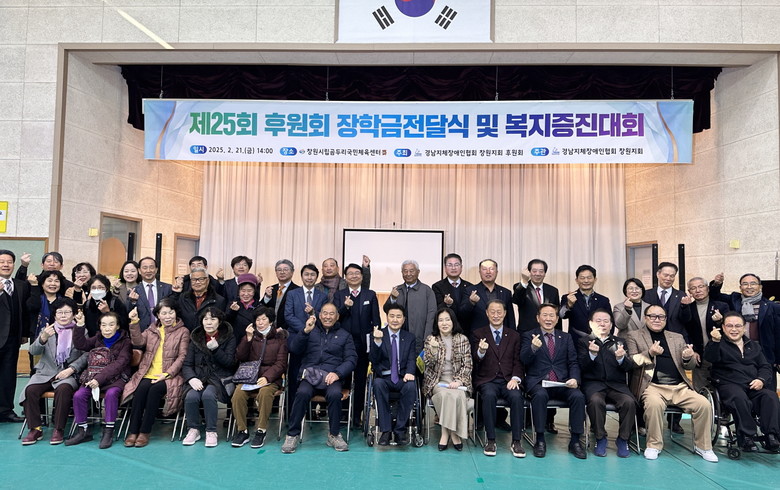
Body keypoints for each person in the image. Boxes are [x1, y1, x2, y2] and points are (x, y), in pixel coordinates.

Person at [625, 304, 718, 462]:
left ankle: (703, 446)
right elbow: (631, 362)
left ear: (666, 319)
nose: (657, 319)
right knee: (654, 405)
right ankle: (654, 445)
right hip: (652, 386)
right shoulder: (634, 335)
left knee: (703, 404)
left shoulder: (677, 337)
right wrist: (650, 353)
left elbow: (689, 366)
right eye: (652, 316)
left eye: (661, 317)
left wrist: (688, 358)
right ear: (646, 318)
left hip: (679, 387)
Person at [281, 303, 357, 454]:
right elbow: (294, 349)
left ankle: (334, 434)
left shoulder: (345, 335)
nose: (328, 317)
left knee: (335, 394)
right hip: (310, 375)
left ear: (337, 316)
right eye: (325, 313)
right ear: (319, 315)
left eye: (331, 314)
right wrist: (304, 332)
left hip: (332, 376)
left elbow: (351, 359)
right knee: (302, 393)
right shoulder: (310, 330)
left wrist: (337, 373)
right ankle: (292, 435)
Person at [704, 312, 780, 453]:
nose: (734, 329)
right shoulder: (718, 343)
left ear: (744, 328)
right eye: (730, 326)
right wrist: (714, 341)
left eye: (738, 326)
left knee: (770, 396)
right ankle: (746, 436)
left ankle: (771, 436)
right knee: (738, 397)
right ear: (723, 328)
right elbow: (710, 358)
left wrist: (761, 380)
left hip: (752, 385)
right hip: (728, 384)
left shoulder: (754, 346)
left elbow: (765, 366)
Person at [122, 298, 190, 447]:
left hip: (170, 376)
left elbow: (182, 356)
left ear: (176, 313)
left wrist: (167, 374)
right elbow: (138, 342)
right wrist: (134, 323)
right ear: (158, 315)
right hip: (148, 373)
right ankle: (133, 431)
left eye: (171, 312)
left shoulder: (183, 331)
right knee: (140, 392)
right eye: (163, 313)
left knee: (154, 392)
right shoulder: (152, 330)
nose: (168, 316)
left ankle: (145, 432)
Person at [521, 303, 586, 459]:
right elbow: (523, 360)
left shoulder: (566, 337)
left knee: (578, 396)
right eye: (545, 315)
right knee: (540, 395)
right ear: (538, 318)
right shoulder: (529, 335)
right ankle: (540, 439)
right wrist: (533, 348)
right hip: (539, 383)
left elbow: (573, 362)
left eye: (552, 315)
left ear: (557, 319)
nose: (548, 319)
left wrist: (575, 379)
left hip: (561, 382)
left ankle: (575, 441)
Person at [19, 297, 87, 445]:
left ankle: (58, 428)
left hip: (68, 374)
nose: (63, 315)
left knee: (63, 390)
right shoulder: (47, 330)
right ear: (54, 315)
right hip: (45, 372)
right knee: (30, 390)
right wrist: (42, 338)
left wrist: (71, 369)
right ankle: (35, 429)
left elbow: (86, 355)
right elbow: (33, 351)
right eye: (59, 312)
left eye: (67, 312)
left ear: (74, 314)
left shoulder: (80, 330)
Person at [66, 311, 132, 449]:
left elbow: (119, 364)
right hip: (94, 377)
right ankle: (83, 431)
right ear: (100, 327)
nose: (107, 329)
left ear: (117, 326)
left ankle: (108, 431)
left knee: (111, 394)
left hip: (116, 378)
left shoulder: (125, 342)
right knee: (79, 395)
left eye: (111, 325)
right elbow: (81, 345)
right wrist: (80, 325)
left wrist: (99, 379)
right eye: (104, 325)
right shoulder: (97, 338)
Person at [577, 309, 636, 457]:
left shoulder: (620, 342)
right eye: (598, 321)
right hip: (594, 384)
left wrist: (621, 359)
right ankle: (600, 438)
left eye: (606, 321)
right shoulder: (583, 342)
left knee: (629, 402)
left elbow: (628, 367)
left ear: (611, 325)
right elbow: (582, 367)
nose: (602, 324)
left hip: (617, 385)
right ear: (591, 324)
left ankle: (623, 439)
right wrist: (591, 355)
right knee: (596, 401)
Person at [471, 300, 525, 458]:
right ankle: (491, 440)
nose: (496, 315)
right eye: (492, 312)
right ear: (487, 313)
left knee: (516, 397)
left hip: (508, 380)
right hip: (487, 380)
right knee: (488, 396)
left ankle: (516, 441)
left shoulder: (514, 335)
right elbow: (475, 359)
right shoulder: (478, 334)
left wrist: (515, 378)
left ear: (505, 313)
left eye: (499, 312)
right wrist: (481, 351)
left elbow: (518, 361)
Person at [709, 272, 779, 391]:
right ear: (740, 287)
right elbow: (715, 296)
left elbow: (778, 334)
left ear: (760, 286)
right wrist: (717, 284)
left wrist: (778, 359)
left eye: (753, 283)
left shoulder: (772, 306)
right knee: (741, 389)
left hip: (765, 353)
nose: (749, 287)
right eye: (745, 284)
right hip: (738, 352)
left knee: (767, 390)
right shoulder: (734, 300)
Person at [230, 307, 288, 449]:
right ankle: (242, 431)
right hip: (250, 376)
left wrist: (267, 377)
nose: (260, 323)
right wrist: (248, 339)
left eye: (263, 319)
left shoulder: (280, 339)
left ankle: (261, 430)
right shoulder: (251, 336)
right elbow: (240, 357)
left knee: (265, 393)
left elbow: (281, 364)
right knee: (237, 394)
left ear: (270, 321)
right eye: (258, 320)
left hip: (271, 378)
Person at [333, 263, 381, 426]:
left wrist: (376, 338)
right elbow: (334, 319)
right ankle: (343, 413)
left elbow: (376, 320)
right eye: (350, 273)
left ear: (361, 276)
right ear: (345, 277)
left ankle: (357, 415)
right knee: (343, 378)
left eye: (357, 273)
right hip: (343, 344)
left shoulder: (370, 294)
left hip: (362, 344)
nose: (353, 276)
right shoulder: (339, 295)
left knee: (360, 380)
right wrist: (345, 307)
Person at [181, 307, 236, 448]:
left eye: (213, 319)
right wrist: (191, 378)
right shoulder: (196, 338)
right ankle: (193, 429)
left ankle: (211, 431)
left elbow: (230, 363)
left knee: (208, 395)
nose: (209, 322)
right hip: (198, 378)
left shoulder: (228, 337)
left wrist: (216, 349)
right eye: (205, 319)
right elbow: (187, 364)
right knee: (191, 396)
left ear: (219, 321)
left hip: (219, 378)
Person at [423, 307, 472, 451]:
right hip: (438, 382)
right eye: (441, 320)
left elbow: (467, 365)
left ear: (453, 321)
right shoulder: (431, 339)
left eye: (447, 319)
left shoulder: (462, 339)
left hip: (458, 381)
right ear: (436, 323)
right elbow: (427, 364)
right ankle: (450, 434)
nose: (444, 323)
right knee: (446, 395)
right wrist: (433, 350)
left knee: (457, 395)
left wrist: (459, 381)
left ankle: (449, 433)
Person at [369, 304, 417, 446]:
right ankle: (386, 431)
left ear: (403, 319)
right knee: (377, 384)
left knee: (411, 387)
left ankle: (400, 430)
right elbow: (373, 360)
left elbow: (412, 359)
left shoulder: (409, 337)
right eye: (392, 316)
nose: (395, 320)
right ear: (387, 317)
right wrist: (377, 341)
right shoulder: (378, 334)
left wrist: (410, 372)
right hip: (384, 378)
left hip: (402, 377)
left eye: (398, 316)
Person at [285, 263, 328, 415]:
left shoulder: (322, 296)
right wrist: (305, 328)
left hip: (315, 340)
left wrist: (314, 313)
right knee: (294, 375)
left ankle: (310, 412)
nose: (309, 277)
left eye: (312, 275)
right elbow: (288, 316)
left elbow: (324, 317)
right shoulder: (292, 294)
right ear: (302, 276)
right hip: (296, 339)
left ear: (317, 277)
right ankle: (292, 412)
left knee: (312, 375)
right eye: (306, 274)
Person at [0, 250, 31, 423]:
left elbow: (25, 311)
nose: (6, 265)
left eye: (9, 262)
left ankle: (6, 410)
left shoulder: (20, 285)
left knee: (8, 375)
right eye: (2, 262)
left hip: (13, 339)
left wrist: (24, 334)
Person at [683, 277, 728, 390]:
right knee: (700, 390)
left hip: (721, 355)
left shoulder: (721, 306)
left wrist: (720, 321)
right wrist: (693, 350)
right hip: (700, 356)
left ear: (707, 288)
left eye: (701, 286)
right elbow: (685, 331)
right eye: (693, 288)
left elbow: (731, 330)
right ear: (689, 292)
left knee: (724, 389)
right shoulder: (688, 308)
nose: (697, 290)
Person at [384, 260, 437, 354]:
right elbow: (386, 309)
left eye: (411, 271)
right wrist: (392, 298)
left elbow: (431, 315)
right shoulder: (397, 289)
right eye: (405, 271)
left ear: (418, 272)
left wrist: (427, 337)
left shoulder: (426, 290)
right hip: (399, 337)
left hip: (419, 338)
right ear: (402, 273)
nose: (408, 274)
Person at [560, 265, 612, 344]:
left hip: (599, 342)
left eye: (589, 277)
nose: (586, 281)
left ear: (595, 279)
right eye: (582, 278)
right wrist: (569, 305)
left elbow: (610, 321)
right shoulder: (568, 297)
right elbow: (562, 316)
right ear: (577, 280)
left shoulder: (603, 300)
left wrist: (606, 340)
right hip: (575, 342)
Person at [464, 259, 516, 332]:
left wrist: (513, 336)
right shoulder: (470, 291)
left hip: (501, 336)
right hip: (478, 335)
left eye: (491, 269)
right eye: (484, 269)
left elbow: (510, 319)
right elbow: (462, 315)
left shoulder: (506, 292)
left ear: (496, 272)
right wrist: (471, 302)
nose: (488, 272)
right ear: (479, 272)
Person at [643, 262, 693, 336]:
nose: (668, 279)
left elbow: (686, 319)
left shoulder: (681, 295)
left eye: (672, 276)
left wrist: (685, 306)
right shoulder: (646, 294)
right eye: (665, 275)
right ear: (658, 274)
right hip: (650, 336)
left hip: (675, 336)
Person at [513, 259, 561, 332]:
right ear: (529, 272)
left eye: (541, 271)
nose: (538, 274)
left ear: (545, 273)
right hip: (527, 332)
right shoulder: (521, 287)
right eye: (534, 271)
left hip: (548, 332)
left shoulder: (553, 291)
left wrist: (559, 333)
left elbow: (557, 313)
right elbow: (516, 300)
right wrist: (524, 281)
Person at [431, 253, 474, 335]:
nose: (453, 268)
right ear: (445, 268)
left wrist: (472, 302)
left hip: (467, 330)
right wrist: (447, 304)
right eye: (450, 265)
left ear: (461, 267)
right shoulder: (437, 286)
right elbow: (437, 310)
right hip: (446, 331)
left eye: (456, 265)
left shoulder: (470, 286)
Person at [129, 257, 173, 332]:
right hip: (142, 332)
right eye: (145, 268)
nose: (148, 270)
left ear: (156, 270)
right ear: (139, 271)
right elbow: (128, 313)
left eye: (151, 267)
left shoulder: (167, 288)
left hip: (165, 331)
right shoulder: (133, 291)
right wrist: (133, 301)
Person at [176, 266, 227, 331]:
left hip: (207, 336)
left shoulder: (219, 300)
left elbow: (221, 324)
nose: (197, 282)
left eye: (201, 279)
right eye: (194, 279)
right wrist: (175, 293)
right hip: (186, 335)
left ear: (207, 281)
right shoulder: (183, 298)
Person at [26, 269, 66, 341]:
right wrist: (34, 286)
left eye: (56, 281)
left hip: (61, 339)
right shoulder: (35, 299)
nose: (53, 284)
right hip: (38, 338)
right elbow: (34, 307)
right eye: (49, 281)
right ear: (42, 284)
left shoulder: (65, 302)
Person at [261, 259, 299, 330]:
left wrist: (283, 328)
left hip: (288, 330)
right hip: (270, 330)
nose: (282, 272)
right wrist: (267, 297)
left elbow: (297, 313)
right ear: (276, 272)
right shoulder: (271, 289)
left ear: (292, 272)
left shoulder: (297, 290)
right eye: (279, 270)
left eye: (285, 269)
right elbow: (261, 309)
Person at [226, 273, 262, 346]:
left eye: (249, 291)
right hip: (234, 343)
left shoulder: (259, 306)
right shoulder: (232, 304)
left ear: (254, 292)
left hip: (253, 343)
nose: (246, 294)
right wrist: (233, 311)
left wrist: (240, 310)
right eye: (243, 290)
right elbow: (226, 322)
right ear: (238, 291)